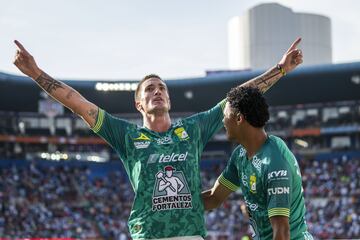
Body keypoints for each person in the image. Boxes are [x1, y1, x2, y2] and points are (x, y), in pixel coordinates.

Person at [12, 38, 302, 239]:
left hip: (190, 235)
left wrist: (281, 69)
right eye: (149, 89)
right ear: (139, 103)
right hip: (148, 235)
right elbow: (76, 102)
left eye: (162, 88)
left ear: (169, 100)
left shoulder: (192, 129)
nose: (157, 92)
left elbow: (237, 98)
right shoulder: (126, 135)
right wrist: (36, 73)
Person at [202, 86, 313, 240]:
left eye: (225, 115)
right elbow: (214, 198)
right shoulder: (240, 155)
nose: (223, 120)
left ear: (239, 118)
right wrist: (171, 207)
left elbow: (281, 233)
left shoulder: (274, 161)